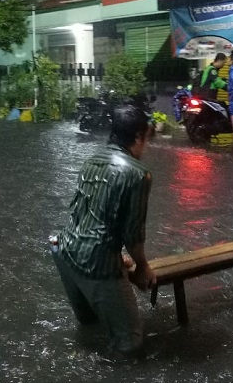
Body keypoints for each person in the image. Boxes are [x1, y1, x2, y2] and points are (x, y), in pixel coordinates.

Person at [52, 105, 157, 354]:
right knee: (131, 344)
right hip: (96, 265)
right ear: (139, 136)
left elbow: (86, 215)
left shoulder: (91, 162)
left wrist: (119, 256)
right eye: (147, 139)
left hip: (64, 252)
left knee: (90, 327)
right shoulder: (138, 174)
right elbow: (133, 235)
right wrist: (142, 267)